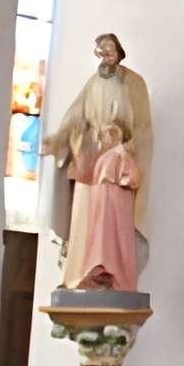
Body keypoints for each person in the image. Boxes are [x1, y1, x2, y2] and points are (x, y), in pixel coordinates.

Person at [45, 33, 150, 293]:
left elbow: (141, 127)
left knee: (112, 221)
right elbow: (76, 115)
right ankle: (80, 272)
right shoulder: (93, 83)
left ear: (119, 53)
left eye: (110, 51)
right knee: (84, 217)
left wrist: (119, 141)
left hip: (115, 164)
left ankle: (111, 273)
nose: (105, 56)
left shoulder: (131, 83)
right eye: (101, 52)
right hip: (89, 159)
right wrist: (59, 140)